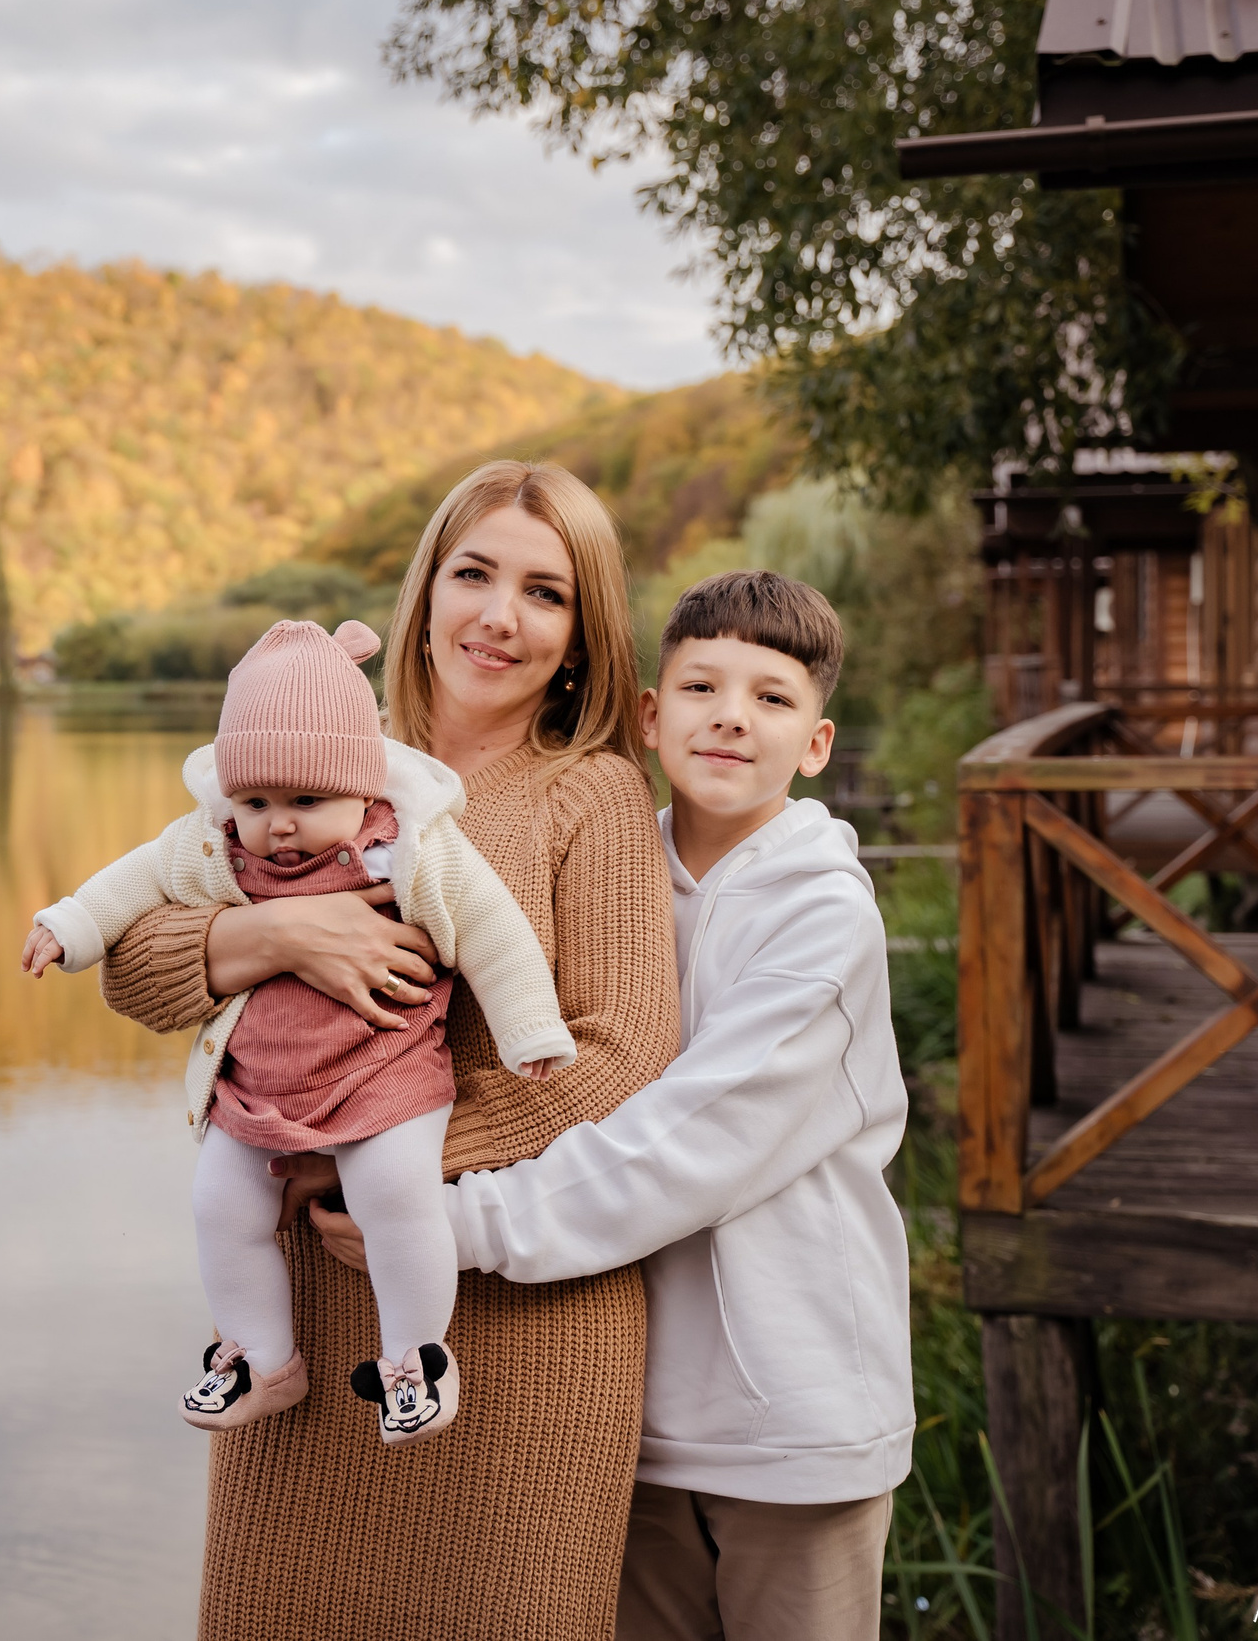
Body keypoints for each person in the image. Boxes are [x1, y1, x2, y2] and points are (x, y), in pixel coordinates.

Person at [98, 462, 682, 1641]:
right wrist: (272, 934)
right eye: (473, 574)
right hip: (311, 1323)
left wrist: (363, 1150)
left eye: (545, 593)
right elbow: (132, 965)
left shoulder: (592, 795)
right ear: (424, 593)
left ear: (582, 637)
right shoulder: (316, 754)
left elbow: (618, 1058)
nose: (498, 616)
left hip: (517, 1328)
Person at [311, 569, 914, 1641]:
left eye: (772, 698)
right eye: (701, 687)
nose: (732, 717)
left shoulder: (823, 918)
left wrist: (445, 1224)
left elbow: (694, 1141)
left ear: (816, 744)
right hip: (623, 1415)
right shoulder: (611, 865)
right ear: (647, 716)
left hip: (793, 1416)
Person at [20, 615, 576, 1446]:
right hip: (259, 1091)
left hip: (385, 1077)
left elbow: (494, 929)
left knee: (397, 1194)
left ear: (362, 787)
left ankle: (415, 1358)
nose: (278, 825)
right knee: (220, 1205)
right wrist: (69, 926)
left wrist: (528, 1027)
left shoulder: (405, 849)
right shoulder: (212, 848)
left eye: (306, 802)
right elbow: (132, 882)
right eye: (256, 802)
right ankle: (262, 1356)